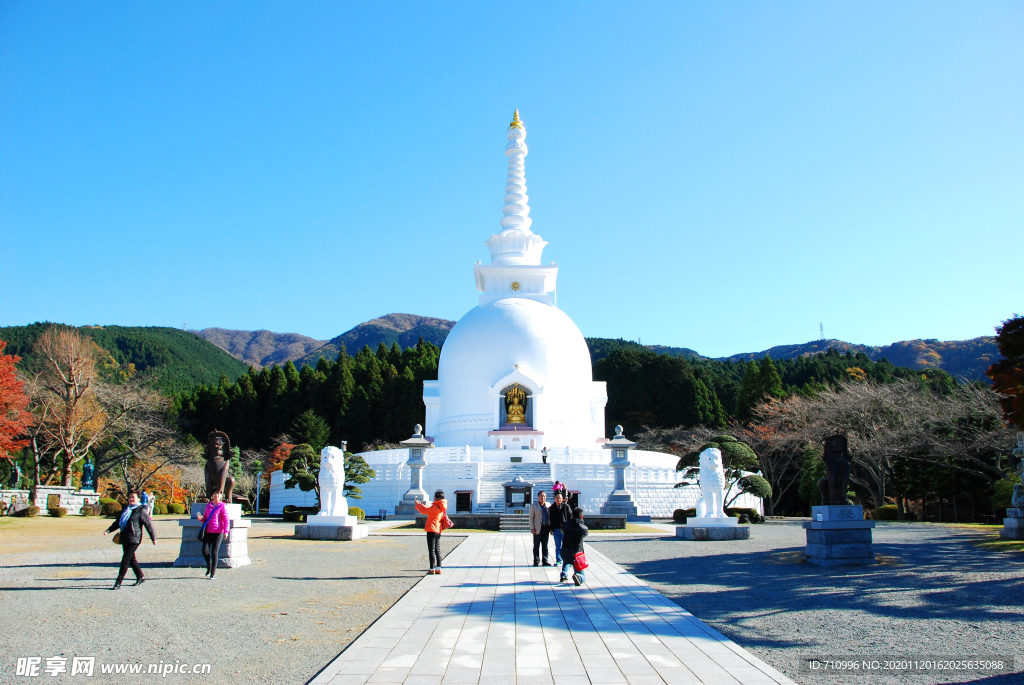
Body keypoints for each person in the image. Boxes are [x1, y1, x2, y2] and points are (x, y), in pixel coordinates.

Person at [104, 490, 156, 590]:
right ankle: (140, 576)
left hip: (134, 538)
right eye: (130, 497)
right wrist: (108, 530)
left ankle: (118, 582)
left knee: (125, 560)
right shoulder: (126, 509)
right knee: (132, 559)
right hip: (125, 537)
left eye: (133, 497)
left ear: (138, 499)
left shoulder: (141, 510)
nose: (131, 499)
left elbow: (148, 524)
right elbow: (118, 522)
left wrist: (153, 537)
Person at [196, 490, 230, 579]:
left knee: (214, 552)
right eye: (215, 494)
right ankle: (209, 566)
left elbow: (226, 519)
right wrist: (200, 519)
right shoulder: (208, 506)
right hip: (208, 531)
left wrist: (226, 531)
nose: (216, 496)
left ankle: (213, 573)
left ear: (220, 496)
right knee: (205, 551)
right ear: (212, 495)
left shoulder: (222, 506)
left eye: (218, 494)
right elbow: (206, 518)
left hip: (218, 532)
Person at [415, 489, 448, 575]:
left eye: (434, 497)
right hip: (438, 530)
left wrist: (418, 505)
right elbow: (429, 510)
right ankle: (438, 568)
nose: (433, 498)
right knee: (438, 549)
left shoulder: (435, 506)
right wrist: (421, 505)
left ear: (437, 498)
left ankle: (432, 568)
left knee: (431, 550)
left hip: (431, 529)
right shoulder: (441, 507)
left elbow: (423, 511)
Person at [559, 507, 589, 586]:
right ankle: (578, 577)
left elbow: (561, 530)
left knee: (567, 560)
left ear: (572, 515)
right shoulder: (583, 529)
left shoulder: (565, 525)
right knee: (582, 575)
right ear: (582, 517)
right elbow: (585, 534)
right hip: (576, 555)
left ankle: (564, 574)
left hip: (564, 553)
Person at [548, 491, 572, 565]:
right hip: (556, 530)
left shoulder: (566, 507)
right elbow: (550, 519)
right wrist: (551, 529)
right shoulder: (552, 508)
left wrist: (569, 527)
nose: (559, 500)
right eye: (557, 498)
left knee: (566, 546)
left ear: (562, 499)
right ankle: (559, 560)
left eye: (560, 498)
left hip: (564, 530)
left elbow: (570, 517)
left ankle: (568, 561)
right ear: (555, 499)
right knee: (558, 546)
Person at [529, 491, 551, 566]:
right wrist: (532, 528)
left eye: (544, 496)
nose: (543, 497)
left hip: (546, 528)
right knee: (536, 546)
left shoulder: (548, 505)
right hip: (537, 528)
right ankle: (536, 560)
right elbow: (531, 517)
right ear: (538, 497)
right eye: (541, 496)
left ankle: (545, 560)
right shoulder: (534, 505)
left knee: (545, 546)